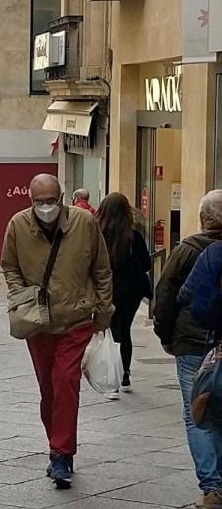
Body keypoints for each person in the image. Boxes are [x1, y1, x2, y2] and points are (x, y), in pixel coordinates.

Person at [1, 174, 113, 489]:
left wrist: (103, 313)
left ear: (61, 197)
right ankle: (57, 445)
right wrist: (21, 294)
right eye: (40, 202)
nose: (46, 207)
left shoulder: (84, 223)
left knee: (65, 383)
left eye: (51, 200)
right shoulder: (18, 226)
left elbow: (101, 270)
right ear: (31, 201)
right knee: (49, 390)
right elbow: (9, 266)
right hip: (38, 320)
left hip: (76, 318)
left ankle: (61, 454)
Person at [153, 189, 222, 508]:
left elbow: (166, 295)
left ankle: (213, 488)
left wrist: (165, 335)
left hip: (194, 343)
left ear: (203, 218)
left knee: (197, 410)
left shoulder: (187, 250)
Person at [96, 193, 152, 395]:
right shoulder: (133, 235)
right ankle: (125, 373)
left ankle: (110, 373)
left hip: (105, 288)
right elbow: (146, 263)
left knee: (110, 329)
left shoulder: (96, 233)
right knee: (124, 330)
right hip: (131, 290)